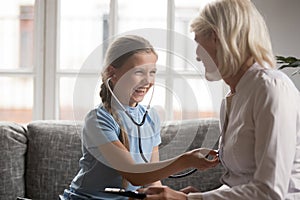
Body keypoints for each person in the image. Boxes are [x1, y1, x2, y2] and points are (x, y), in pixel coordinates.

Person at [141, 0, 300, 199]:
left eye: (198, 42)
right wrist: (205, 195)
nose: (197, 56)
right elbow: (240, 183)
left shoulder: (271, 88)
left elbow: (269, 192)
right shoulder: (232, 98)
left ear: (217, 38)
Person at [62, 35, 219, 200]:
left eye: (152, 72)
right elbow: (134, 175)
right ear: (112, 73)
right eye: (138, 72)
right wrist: (186, 160)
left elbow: (152, 183)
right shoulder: (98, 120)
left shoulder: (151, 117)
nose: (148, 81)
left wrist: (173, 196)